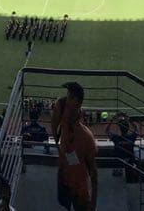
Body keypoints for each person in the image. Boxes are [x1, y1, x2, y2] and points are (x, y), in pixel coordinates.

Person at [51, 82, 97, 211]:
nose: (65, 100)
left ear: (78, 104)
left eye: (70, 97)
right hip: (64, 179)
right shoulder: (63, 124)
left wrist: (93, 204)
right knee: (64, 204)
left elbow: (93, 172)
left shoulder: (85, 137)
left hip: (80, 192)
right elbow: (54, 124)